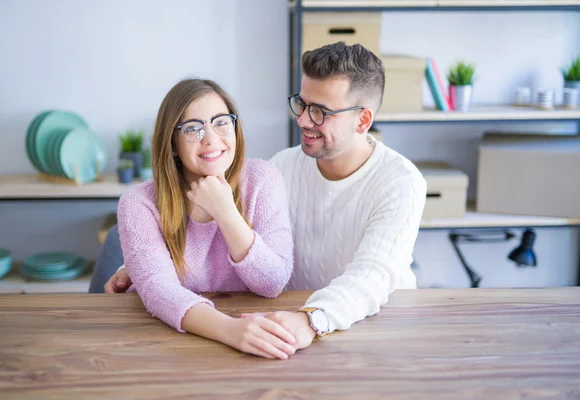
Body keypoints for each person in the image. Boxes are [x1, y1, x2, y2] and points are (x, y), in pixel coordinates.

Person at [97, 42, 427, 353]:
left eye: (319, 111)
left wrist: (311, 319)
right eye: (301, 104)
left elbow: (371, 277)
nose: (302, 120)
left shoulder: (400, 182)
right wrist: (141, 263)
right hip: (286, 323)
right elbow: (231, 237)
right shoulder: (283, 166)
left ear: (363, 120)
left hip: (369, 324)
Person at [113, 78, 296, 360]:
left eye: (221, 122)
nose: (211, 138)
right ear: (172, 143)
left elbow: (272, 282)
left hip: (246, 330)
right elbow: (159, 291)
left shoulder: (263, 179)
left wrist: (225, 212)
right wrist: (231, 330)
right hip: (167, 340)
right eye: (193, 129)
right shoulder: (139, 203)